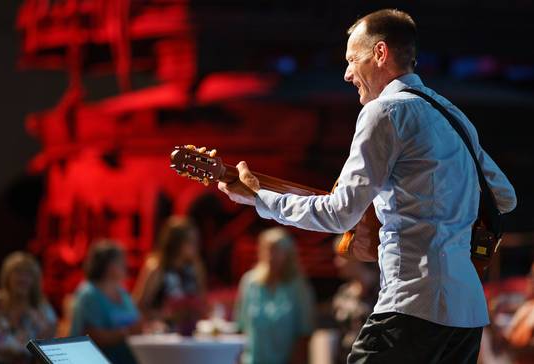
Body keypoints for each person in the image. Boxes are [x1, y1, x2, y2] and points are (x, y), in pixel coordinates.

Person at [218, 8, 517, 363]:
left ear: (380, 54)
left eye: (352, 59)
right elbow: (505, 197)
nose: (346, 73)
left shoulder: (384, 112)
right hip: (466, 312)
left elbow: (338, 214)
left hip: (412, 304)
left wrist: (258, 197)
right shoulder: (454, 115)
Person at [234, 227, 314, 364]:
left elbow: (305, 333)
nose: (271, 256)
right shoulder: (249, 282)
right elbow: (240, 327)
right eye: (267, 250)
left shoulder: (298, 286)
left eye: (277, 251)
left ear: (288, 254)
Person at [69, 240, 140, 364]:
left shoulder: (122, 292)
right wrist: (128, 332)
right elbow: (91, 336)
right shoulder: (89, 294)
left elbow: (137, 320)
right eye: (121, 262)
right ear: (108, 266)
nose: (126, 265)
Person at [133, 216, 206, 334]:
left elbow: (202, 301)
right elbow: (139, 307)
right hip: (161, 332)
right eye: (191, 241)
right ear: (176, 243)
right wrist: (165, 315)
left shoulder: (195, 267)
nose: (195, 246)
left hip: (189, 332)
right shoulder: (156, 268)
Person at [0, 252, 57, 364]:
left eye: (28, 274)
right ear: (7, 276)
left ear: (35, 280)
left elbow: (46, 354)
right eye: (18, 272)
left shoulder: (44, 311)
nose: (23, 278)